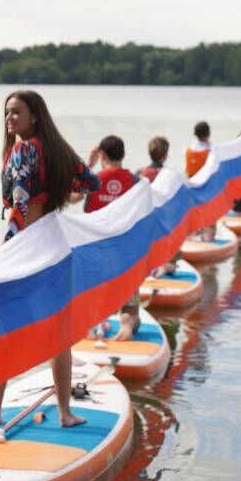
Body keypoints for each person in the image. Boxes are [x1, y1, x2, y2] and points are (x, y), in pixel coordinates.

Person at [0, 90, 99, 428]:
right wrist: (55, 194)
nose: (10, 119)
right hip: (54, 244)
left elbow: (20, 206)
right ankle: (66, 413)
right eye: (7, 113)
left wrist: (8, 249)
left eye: (16, 112)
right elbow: (89, 182)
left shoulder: (22, 149)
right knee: (59, 333)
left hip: (26, 245)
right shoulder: (54, 148)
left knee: (6, 329)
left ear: (33, 115)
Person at [83, 135, 141, 341]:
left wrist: (89, 166)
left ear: (102, 155)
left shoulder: (94, 181)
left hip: (97, 252)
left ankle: (90, 328)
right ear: (123, 154)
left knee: (91, 303)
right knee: (130, 309)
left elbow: (76, 200)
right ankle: (126, 323)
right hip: (126, 255)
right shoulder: (136, 183)